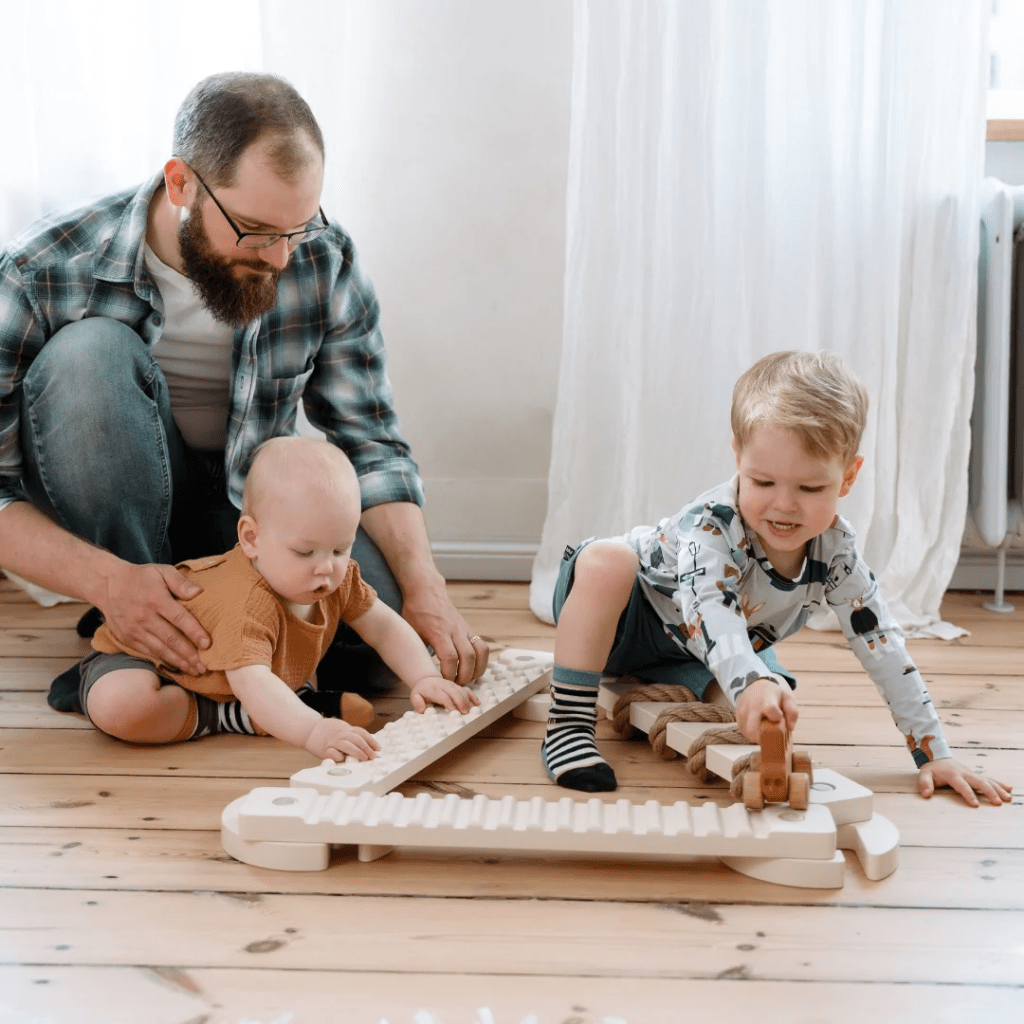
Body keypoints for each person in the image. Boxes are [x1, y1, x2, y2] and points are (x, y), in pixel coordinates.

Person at [0, 72, 488, 726]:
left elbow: (371, 444)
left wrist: (427, 590)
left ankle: (184, 663)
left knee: (376, 630)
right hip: (112, 520)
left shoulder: (322, 257)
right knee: (90, 354)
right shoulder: (41, 268)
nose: (281, 259)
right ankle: (134, 625)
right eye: (256, 231)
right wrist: (105, 580)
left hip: (243, 515)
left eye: (297, 229)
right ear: (181, 184)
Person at [543, 350, 1013, 809]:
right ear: (738, 457)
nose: (784, 505)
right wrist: (748, 680)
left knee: (771, 701)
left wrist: (934, 753)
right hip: (625, 618)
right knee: (608, 562)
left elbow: (883, 645)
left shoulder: (837, 553)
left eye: (810, 488)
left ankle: (728, 694)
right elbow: (711, 612)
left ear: (848, 477)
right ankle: (568, 725)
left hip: (690, 654)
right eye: (763, 482)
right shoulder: (710, 527)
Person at [81, 437, 478, 759]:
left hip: (245, 677)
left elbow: (385, 627)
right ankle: (224, 714)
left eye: (340, 549)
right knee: (122, 706)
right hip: (153, 660)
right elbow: (252, 680)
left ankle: (279, 706)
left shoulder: (336, 577)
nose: (326, 568)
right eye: (305, 552)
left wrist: (424, 677)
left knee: (340, 655)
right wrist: (313, 730)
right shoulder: (245, 604)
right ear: (251, 538)